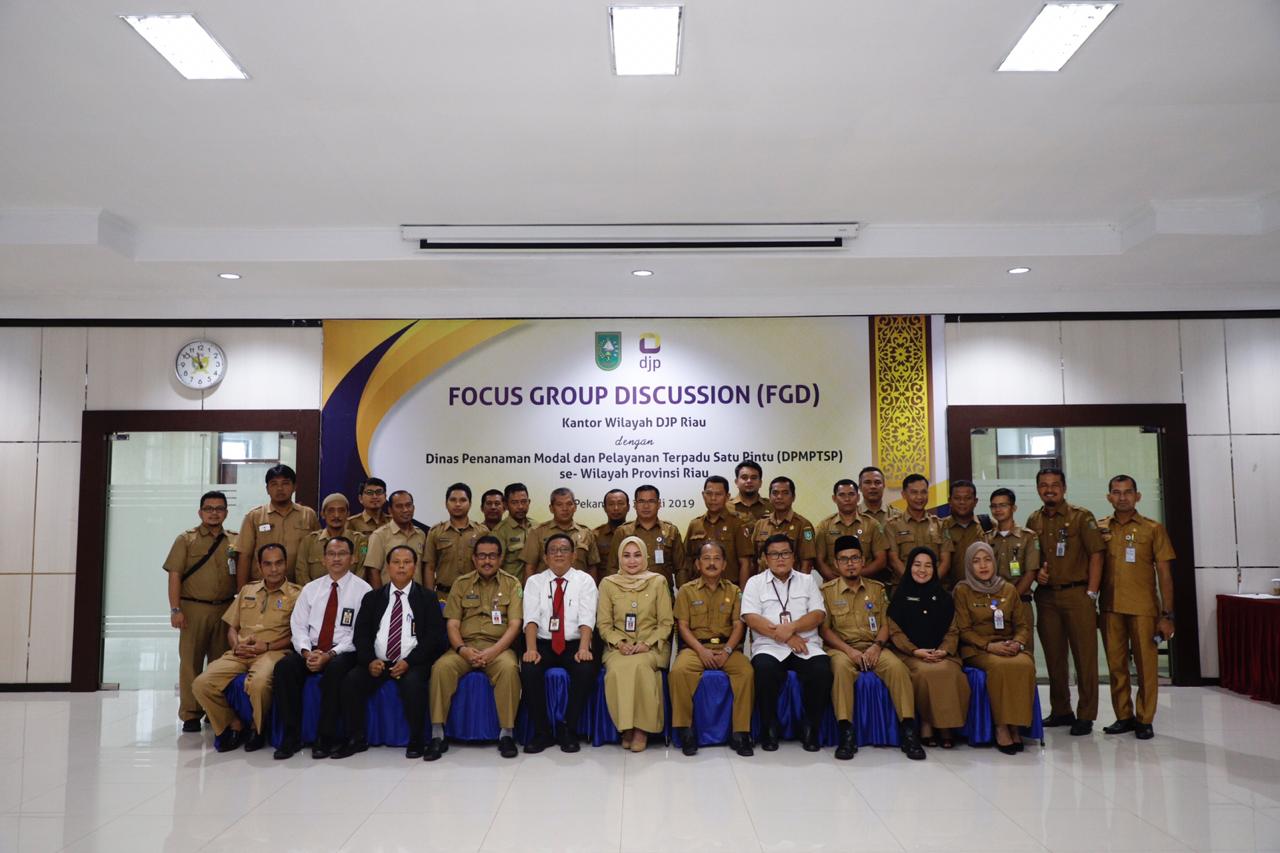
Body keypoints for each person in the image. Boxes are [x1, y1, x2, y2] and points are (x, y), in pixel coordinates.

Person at [333, 545, 447, 759]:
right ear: (387, 567)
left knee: (414, 684)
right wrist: (369, 660)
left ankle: (416, 740)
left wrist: (409, 661)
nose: (401, 567)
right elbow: (361, 635)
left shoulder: (427, 598)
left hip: (412, 662)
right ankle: (355, 738)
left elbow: (434, 637)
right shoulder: (372, 597)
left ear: (415, 566)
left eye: (407, 562)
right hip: (377, 662)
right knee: (351, 681)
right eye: (396, 562)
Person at [820, 535, 925, 761]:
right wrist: (849, 651)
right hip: (842, 648)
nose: (850, 564)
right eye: (844, 559)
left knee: (897, 668)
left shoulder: (877, 589)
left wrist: (876, 647)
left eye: (854, 558)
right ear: (836, 563)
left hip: (874, 645)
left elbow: (887, 624)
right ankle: (846, 733)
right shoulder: (827, 592)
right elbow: (825, 631)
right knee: (840, 669)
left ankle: (908, 730)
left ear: (863, 561)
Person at [191, 543, 301, 752]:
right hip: (239, 652)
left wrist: (267, 645)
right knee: (201, 684)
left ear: (286, 564)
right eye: (268, 564)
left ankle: (256, 729)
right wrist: (236, 645)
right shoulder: (247, 590)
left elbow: (297, 634)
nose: (274, 569)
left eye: (278, 563)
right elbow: (232, 627)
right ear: (259, 566)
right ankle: (233, 723)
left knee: (258, 684)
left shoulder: (298, 594)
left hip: (273, 652)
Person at [271, 536, 372, 759]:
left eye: (342, 554)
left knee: (336, 669)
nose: (336, 559)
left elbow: (359, 634)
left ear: (353, 558)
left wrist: (330, 654)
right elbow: (298, 625)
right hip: (312, 648)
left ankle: (325, 737)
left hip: (344, 651)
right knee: (284, 667)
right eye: (331, 554)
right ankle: (291, 736)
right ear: (323, 559)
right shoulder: (311, 589)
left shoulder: (363, 590)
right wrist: (307, 652)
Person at [427, 535, 523, 760]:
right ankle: (437, 734)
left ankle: (506, 734)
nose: (487, 561)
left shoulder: (512, 584)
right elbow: (452, 624)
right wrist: (462, 649)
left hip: (498, 648)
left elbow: (515, 625)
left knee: (509, 669)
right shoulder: (461, 584)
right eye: (482, 556)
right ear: (474, 558)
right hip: (464, 647)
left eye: (492, 556)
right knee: (441, 667)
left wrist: (494, 651)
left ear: (500, 558)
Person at [1026, 467, 1104, 735]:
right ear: (1038, 489)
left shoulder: (1082, 517)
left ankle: (1086, 714)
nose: (1049, 489)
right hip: (1047, 597)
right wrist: (1038, 573)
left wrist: (1092, 593)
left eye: (1055, 485)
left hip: (1078, 594)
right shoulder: (1034, 519)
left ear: (1064, 488)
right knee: (1054, 657)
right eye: (1044, 485)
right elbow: (1031, 556)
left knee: (1085, 658)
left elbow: (1097, 555)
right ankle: (1061, 710)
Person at [1098, 475, 1176, 740]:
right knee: (1116, 666)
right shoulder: (1100, 528)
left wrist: (1167, 614)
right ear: (1109, 497)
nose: (1122, 497)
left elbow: (1165, 574)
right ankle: (1123, 716)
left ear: (1137, 496)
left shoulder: (1153, 528)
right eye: (1116, 492)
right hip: (1110, 607)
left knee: (1146, 667)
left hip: (1144, 609)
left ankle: (1144, 719)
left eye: (1128, 492)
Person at [741, 534, 831, 752]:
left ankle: (810, 727)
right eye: (774, 554)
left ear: (793, 556)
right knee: (763, 669)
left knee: (821, 669)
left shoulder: (807, 581)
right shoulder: (755, 583)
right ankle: (769, 728)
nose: (780, 558)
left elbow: (818, 614)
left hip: (805, 645)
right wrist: (788, 637)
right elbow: (751, 618)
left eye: (785, 553)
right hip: (769, 646)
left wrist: (793, 627)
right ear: (765, 558)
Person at [670, 540, 754, 757]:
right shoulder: (686, 591)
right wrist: (701, 651)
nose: (711, 563)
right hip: (696, 648)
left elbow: (739, 625)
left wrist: (727, 651)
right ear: (697, 564)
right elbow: (683, 626)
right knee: (678, 671)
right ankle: (686, 731)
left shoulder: (735, 591)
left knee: (746, 672)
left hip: (727, 648)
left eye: (717, 558)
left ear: (724, 564)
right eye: (706, 558)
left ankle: (740, 733)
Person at [165, 490, 238, 733]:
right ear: (200, 512)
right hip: (193, 609)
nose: (214, 513)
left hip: (226, 610)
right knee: (190, 663)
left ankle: (214, 710)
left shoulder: (235, 540)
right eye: (209, 508)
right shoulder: (186, 540)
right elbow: (174, 575)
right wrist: (175, 609)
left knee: (221, 664)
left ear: (226, 512)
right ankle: (190, 714)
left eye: (219, 508)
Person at [520, 533, 599, 753]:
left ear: (574, 556)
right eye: (553, 550)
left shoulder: (585, 581)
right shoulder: (534, 582)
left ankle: (569, 729)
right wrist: (531, 649)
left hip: (574, 643)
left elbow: (587, 617)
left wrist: (584, 648)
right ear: (545, 557)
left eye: (564, 550)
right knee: (529, 668)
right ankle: (542, 732)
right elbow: (531, 618)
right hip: (544, 643)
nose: (558, 554)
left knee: (586, 669)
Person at [954, 541, 1036, 755]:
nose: (983, 565)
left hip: (1008, 645)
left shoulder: (1008, 589)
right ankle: (1001, 726)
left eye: (987, 560)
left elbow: (1022, 625)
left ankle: (1016, 726)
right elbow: (963, 630)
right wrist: (989, 646)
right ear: (969, 565)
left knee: (1025, 664)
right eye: (976, 561)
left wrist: (1017, 642)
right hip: (978, 649)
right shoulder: (962, 591)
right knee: (999, 666)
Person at [887, 546, 970, 749]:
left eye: (928, 566)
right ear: (909, 567)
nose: (922, 570)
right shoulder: (899, 596)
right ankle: (927, 724)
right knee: (925, 673)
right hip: (910, 654)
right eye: (917, 565)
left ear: (935, 569)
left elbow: (953, 629)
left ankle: (946, 726)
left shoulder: (944, 597)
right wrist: (915, 651)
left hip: (942, 653)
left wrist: (944, 650)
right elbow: (894, 631)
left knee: (949, 671)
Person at [598, 536, 674, 752]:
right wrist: (619, 643)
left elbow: (666, 623)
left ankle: (642, 729)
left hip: (652, 645)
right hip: (618, 648)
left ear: (645, 557)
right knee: (617, 669)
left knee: (640, 666)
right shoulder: (608, 584)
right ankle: (626, 727)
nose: (632, 561)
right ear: (619, 558)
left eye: (637, 555)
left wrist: (647, 643)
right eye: (627, 555)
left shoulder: (658, 581)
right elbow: (604, 624)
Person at [235, 464, 319, 587]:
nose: (280, 488)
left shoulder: (308, 515)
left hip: (298, 587)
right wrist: (241, 592)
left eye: (285, 483)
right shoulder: (254, 517)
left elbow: (316, 552)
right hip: (262, 588)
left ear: (294, 487)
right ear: (267, 489)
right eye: (274, 484)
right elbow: (245, 556)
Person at [605, 484, 685, 586]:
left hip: (662, 591)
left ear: (659, 504)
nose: (646, 506)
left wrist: (683, 592)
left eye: (651, 501)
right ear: (635, 505)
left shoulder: (671, 531)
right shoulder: (622, 532)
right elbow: (612, 567)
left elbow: (681, 568)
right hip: (630, 591)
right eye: (641, 501)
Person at [684, 475, 754, 589]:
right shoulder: (695, 524)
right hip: (699, 590)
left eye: (718, 494)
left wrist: (742, 595)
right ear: (703, 495)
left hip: (730, 589)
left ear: (727, 497)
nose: (713, 498)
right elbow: (687, 561)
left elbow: (745, 563)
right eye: (709, 493)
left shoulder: (738, 524)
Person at [814, 479, 890, 582]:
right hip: (833, 585)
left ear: (858, 497)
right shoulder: (824, 526)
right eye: (842, 495)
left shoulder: (872, 525)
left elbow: (881, 560)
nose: (847, 499)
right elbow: (819, 561)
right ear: (834, 498)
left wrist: (855, 578)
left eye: (851, 494)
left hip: (866, 585)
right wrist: (838, 582)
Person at [885, 473, 953, 586]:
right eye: (914, 492)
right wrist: (912, 583)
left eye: (924, 492)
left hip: (935, 587)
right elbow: (894, 560)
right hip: (904, 587)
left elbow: (945, 561)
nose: (919, 497)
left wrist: (931, 583)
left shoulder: (940, 524)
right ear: (904, 495)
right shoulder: (892, 525)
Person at [424, 482, 490, 595]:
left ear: (470, 504)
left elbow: (488, 566)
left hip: (475, 594)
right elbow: (430, 567)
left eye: (463, 500)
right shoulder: (435, 532)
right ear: (446, 504)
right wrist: (429, 597)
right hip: (444, 596)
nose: (458, 504)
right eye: (453, 500)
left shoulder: (482, 532)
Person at [520, 488, 600, 580]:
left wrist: (591, 588)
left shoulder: (586, 532)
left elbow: (592, 567)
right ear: (551, 508)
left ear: (575, 507)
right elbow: (530, 567)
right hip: (546, 586)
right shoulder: (538, 532)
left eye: (569, 504)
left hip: (579, 586)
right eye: (559, 504)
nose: (565, 509)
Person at [295, 493, 368, 584]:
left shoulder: (361, 541)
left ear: (348, 514)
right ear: (322, 514)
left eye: (341, 511)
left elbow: (362, 570)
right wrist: (312, 591)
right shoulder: (308, 541)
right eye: (331, 511)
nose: (336, 515)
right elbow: (301, 573)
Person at [751, 476, 817, 575]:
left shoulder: (803, 525)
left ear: (793, 497)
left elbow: (807, 563)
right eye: (775, 493)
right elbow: (753, 559)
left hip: (792, 581)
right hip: (763, 581)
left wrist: (801, 583)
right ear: (770, 497)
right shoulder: (761, 524)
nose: (779, 497)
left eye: (785, 493)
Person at [363, 490, 427, 589]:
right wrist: (381, 596)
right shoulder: (379, 535)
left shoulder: (421, 535)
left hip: (416, 595)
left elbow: (423, 568)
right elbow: (373, 571)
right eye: (399, 506)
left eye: (408, 505)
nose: (405, 510)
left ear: (413, 508)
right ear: (390, 510)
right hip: (390, 595)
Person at [984, 488, 1039, 599]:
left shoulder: (1028, 537)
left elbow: (1031, 573)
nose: (998, 509)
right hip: (992, 600)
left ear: (1014, 508)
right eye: (994, 506)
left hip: (1020, 600)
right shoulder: (986, 538)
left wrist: (1010, 599)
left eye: (1003, 505)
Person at [941, 480, 985, 589]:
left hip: (980, 591)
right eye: (957, 498)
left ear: (975, 501)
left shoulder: (988, 525)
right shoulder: (940, 527)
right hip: (948, 592)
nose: (962, 502)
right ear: (950, 501)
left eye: (967, 498)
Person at [492, 482, 535, 578]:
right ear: (506, 505)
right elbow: (494, 568)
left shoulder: (537, 527)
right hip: (512, 586)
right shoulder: (499, 532)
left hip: (537, 586)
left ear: (529, 502)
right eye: (514, 503)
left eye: (524, 501)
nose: (520, 506)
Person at [592, 488, 631, 568]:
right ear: (605, 508)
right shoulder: (595, 535)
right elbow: (592, 566)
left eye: (620, 503)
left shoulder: (635, 532)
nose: (616, 508)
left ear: (628, 507)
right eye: (611, 504)